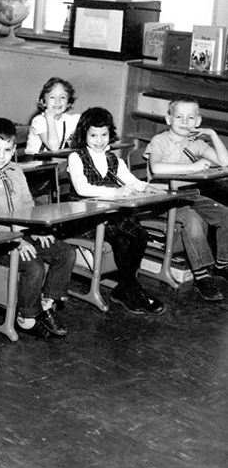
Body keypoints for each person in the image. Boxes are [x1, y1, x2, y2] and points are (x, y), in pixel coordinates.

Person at [0, 118, 75, 337]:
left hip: (24, 232)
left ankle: (44, 305)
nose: (1, 155)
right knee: (33, 265)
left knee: (66, 252)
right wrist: (18, 240)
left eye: (7, 150)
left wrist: (37, 230)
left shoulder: (16, 170)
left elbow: (28, 205)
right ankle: (27, 317)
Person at [67, 108, 166, 314]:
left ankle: (126, 288)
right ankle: (133, 289)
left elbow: (131, 181)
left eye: (104, 135)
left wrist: (146, 187)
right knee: (121, 241)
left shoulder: (114, 159)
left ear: (110, 134)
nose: (99, 140)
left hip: (110, 215)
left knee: (140, 234)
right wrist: (116, 192)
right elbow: (82, 189)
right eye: (93, 135)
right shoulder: (76, 158)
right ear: (83, 135)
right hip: (86, 217)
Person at [143, 97, 228, 301]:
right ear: (168, 119)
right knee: (193, 220)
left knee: (225, 214)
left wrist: (213, 135)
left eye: (190, 117)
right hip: (162, 199)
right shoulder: (160, 141)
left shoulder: (195, 142)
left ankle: (222, 265)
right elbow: (157, 168)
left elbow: (225, 163)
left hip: (189, 195)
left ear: (197, 121)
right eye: (179, 116)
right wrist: (192, 167)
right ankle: (201, 276)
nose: (184, 121)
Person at [25, 77, 80, 154]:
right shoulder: (39, 121)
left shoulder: (69, 119)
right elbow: (54, 147)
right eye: (52, 97)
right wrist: (50, 118)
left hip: (54, 161)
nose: (57, 101)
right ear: (43, 102)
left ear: (68, 103)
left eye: (63, 97)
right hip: (34, 161)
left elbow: (90, 119)